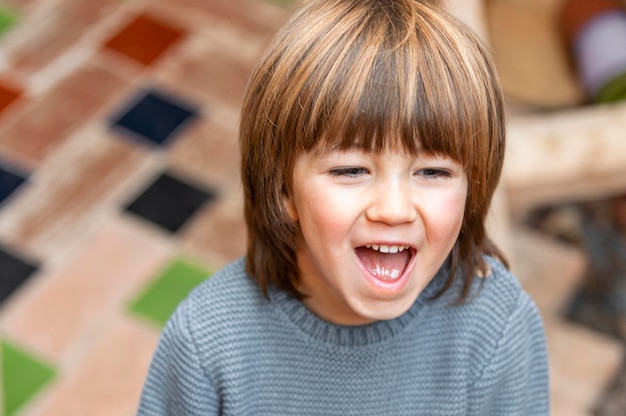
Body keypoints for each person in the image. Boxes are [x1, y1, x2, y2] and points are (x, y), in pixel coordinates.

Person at [137, 0, 550, 414]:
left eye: (432, 172)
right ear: (283, 190)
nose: (393, 209)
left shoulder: (496, 326)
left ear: (473, 187)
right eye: (351, 170)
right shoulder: (207, 342)